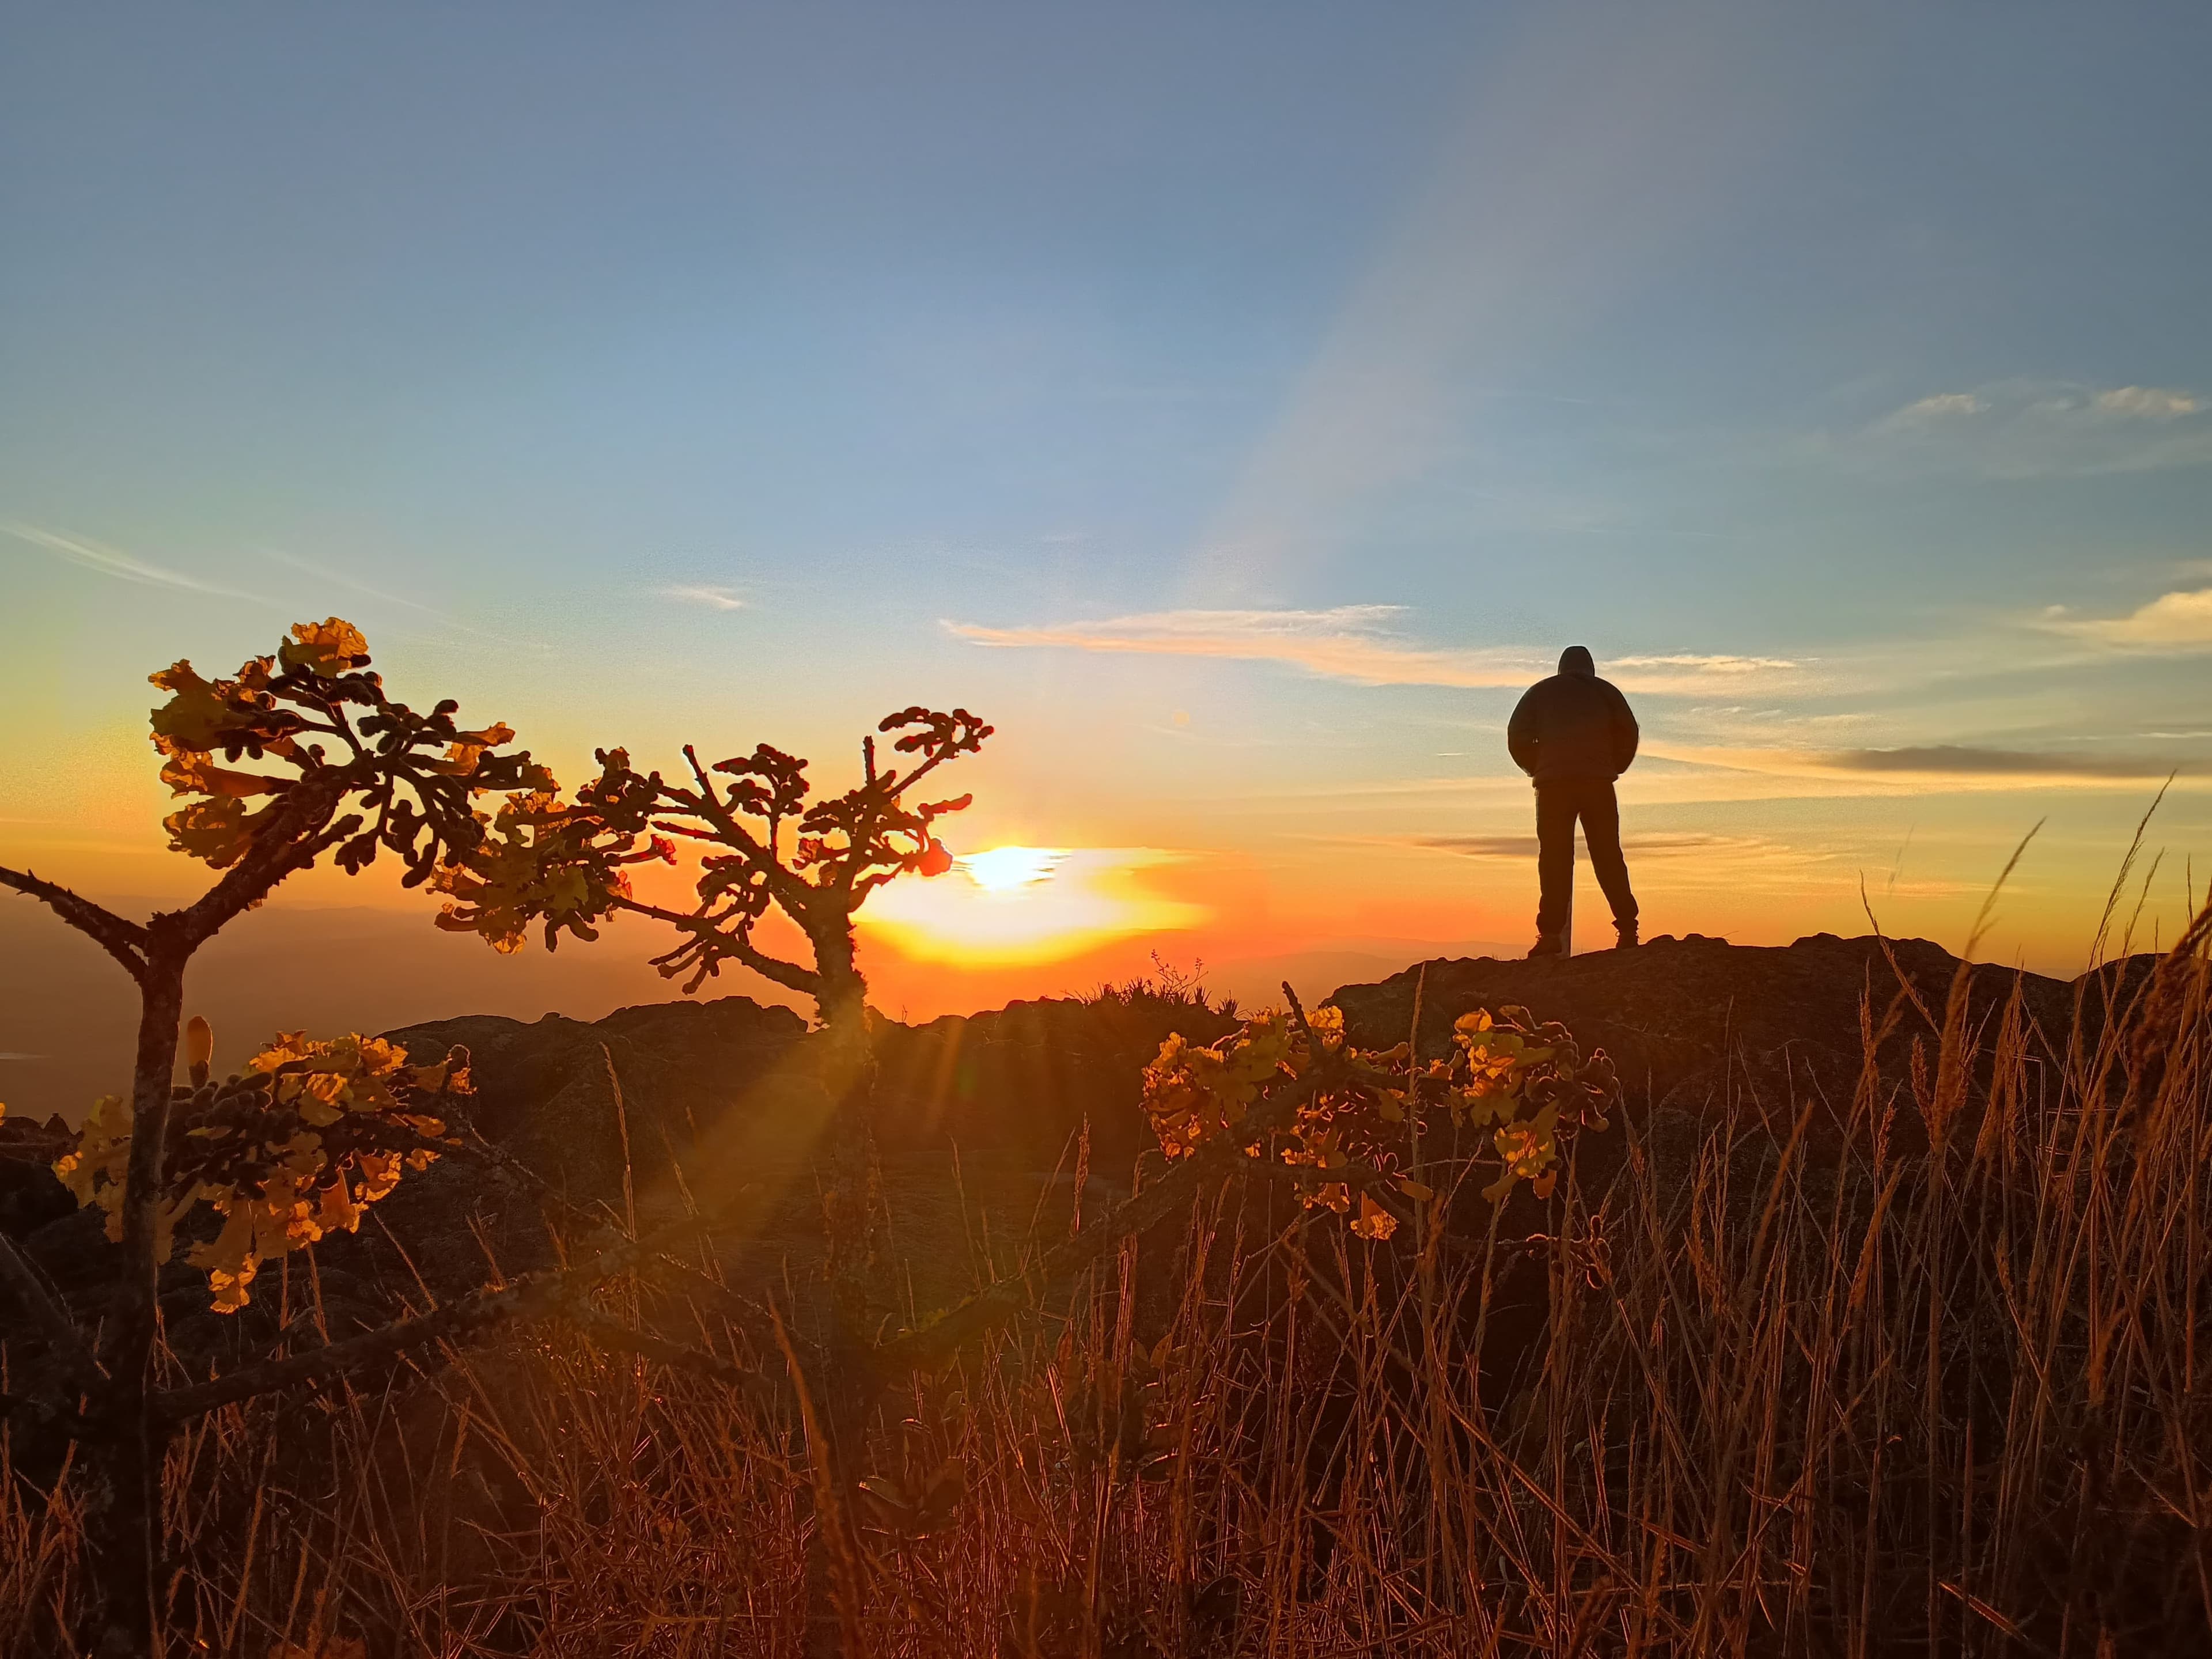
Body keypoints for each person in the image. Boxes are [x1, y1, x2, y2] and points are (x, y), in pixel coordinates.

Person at [1506, 645, 1639, 956]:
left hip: (1553, 787)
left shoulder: (1540, 692)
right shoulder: (1607, 692)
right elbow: (1629, 732)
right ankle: (1627, 928)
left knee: (1554, 859)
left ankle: (1550, 935)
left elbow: (1516, 734)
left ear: (1561, 668)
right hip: (1598, 785)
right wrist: (1612, 766)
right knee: (1608, 855)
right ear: (1590, 668)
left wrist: (1537, 766)